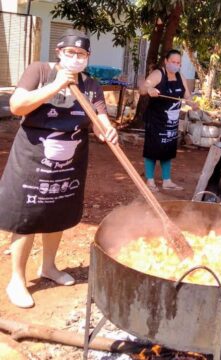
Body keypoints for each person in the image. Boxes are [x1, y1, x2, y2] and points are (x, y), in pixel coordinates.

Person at [0, 29, 118, 308]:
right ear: (59, 52)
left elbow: (100, 120)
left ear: (88, 57)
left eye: (82, 54)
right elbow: (17, 106)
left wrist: (107, 131)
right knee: (28, 216)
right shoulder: (38, 71)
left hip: (71, 160)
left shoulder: (91, 85)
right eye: (71, 53)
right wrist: (57, 85)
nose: (76, 58)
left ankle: (48, 267)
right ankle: (17, 279)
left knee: (58, 212)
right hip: (33, 158)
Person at [140, 49, 197, 192]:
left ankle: (167, 181)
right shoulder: (159, 74)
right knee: (152, 150)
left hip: (171, 122)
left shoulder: (180, 77)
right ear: (166, 61)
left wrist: (192, 104)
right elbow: (142, 88)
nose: (176, 65)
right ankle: (150, 181)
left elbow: (187, 96)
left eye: (178, 63)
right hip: (155, 120)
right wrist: (150, 89)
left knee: (168, 150)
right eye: (173, 62)